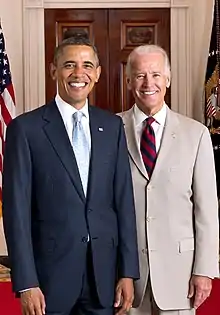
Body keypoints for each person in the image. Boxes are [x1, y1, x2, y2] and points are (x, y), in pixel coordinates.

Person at [2, 34, 140, 315]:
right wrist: (26, 282)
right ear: (54, 70)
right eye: (69, 65)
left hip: (103, 279)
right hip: (48, 282)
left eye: (87, 65)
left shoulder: (112, 127)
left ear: (98, 73)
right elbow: (16, 213)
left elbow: (123, 204)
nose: (79, 73)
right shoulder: (26, 130)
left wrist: (128, 272)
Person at [118, 44, 219, 315]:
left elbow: (207, 210)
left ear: (168, 80)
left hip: (181, 276)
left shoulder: (195, 135)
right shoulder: (110, 131)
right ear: (128, 81)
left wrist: (204, 270)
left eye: (156, 75)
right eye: (140, 75)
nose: (148, 83)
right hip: (125, 278)